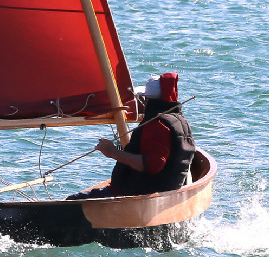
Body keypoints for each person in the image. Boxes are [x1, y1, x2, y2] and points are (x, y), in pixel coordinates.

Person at [68, 72, 196, 200]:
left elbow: (152, 165)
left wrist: (112, 152)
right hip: (164, 190)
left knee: (71, 201)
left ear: (147, 100)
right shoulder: (179, 119)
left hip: (138, 196)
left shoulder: (156, 125)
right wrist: (118, 150)